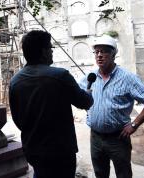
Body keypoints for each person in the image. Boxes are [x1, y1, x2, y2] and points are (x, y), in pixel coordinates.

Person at [9, 30, 94, 178]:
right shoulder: (60, 76)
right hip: (60, 152)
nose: (52, 52)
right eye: (50, 48)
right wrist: (89, 91)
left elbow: (17, 119)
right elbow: (85, 102)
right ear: (43, 52)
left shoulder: (15, 81)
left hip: (33, 150)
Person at [80, 34, 144, 178]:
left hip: (117, 138)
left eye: (104, 51)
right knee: (100, 173)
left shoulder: (127, 78)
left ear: (113, 54)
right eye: (97, 52)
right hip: (96, 137)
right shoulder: (90, 77)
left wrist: (134, 125)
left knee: (123, 174)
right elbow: (78, 95)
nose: (99, 55)